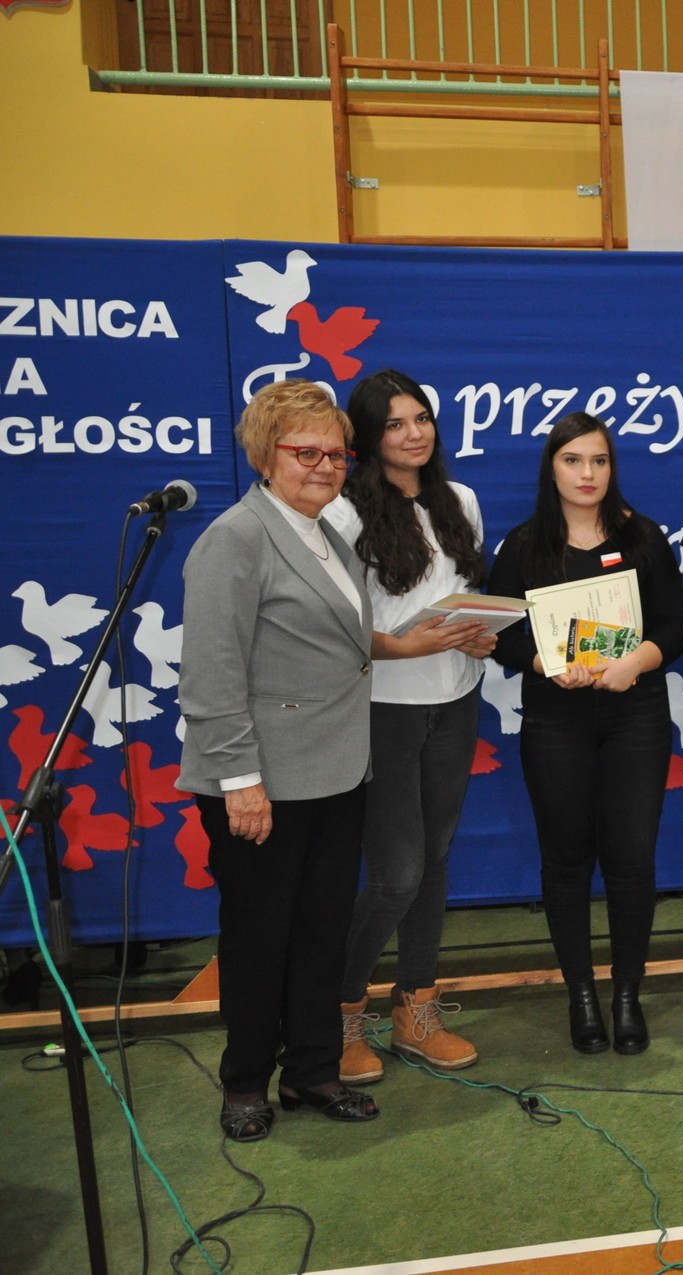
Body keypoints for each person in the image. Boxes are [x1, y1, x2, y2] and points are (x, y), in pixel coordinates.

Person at [177, 378, 378, 1140]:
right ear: (266, 455)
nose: (325, 466)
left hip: (336, 771)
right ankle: (244, 1082)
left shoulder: (327, 535)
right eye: (306, 452)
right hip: (260, 781)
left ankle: (313, 1071)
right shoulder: (235, 537)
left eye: (337, 454)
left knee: (323, 930)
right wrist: (241, 781)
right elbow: (212, 672)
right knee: (259, 939)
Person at [491, 412, 683, 1055]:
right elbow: (500, 636)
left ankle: (628, 994)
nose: (587, 473)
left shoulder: (642, 537)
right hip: (556, 719)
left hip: (635, 714)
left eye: (599, 461)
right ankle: (581, 995)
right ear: (552, 468)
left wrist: (636, 662)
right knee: (567, 860)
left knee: (631, 858)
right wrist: (541, 662)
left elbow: (674, 629)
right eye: (573, 460)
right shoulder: (524, 547)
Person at [324, 370, 493, 1083]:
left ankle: (416, 1010)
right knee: (396, 873)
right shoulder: (342, 513)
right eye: (394, 423)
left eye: (420, 417)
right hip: (382, 708)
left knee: (436, 860)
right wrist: (403, 646)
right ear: (367, 436)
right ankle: (336, 1013)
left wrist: (480, 635)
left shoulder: (461, 500)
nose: (413, 433)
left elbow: (465, 597)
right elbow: (332, 629)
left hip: (457, 700)